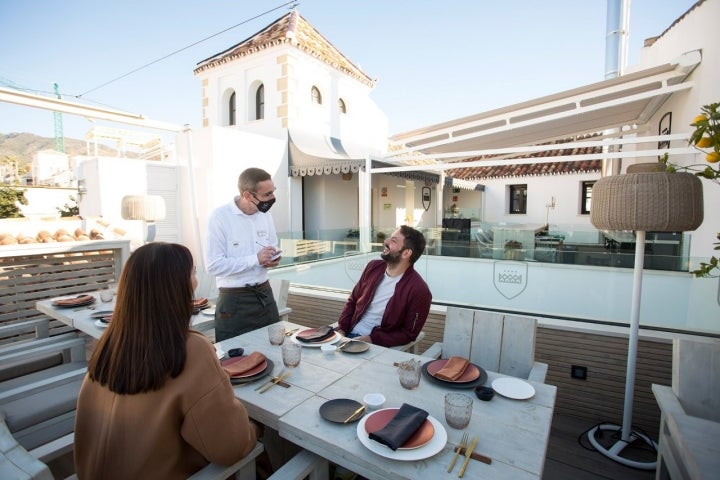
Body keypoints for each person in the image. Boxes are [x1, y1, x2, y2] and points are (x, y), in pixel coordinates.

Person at [74, 242, 258, 479]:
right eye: (192, 272)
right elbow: (231, 448)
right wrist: (255, 428)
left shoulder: (109, 344)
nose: (196, 280)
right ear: (177, 286)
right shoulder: (190, 349)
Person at [205, 167, 282, 342]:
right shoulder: (219, 218)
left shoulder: (266, 215)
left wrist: (272, 258)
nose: (272, 198)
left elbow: (272, 246)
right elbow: (213, 265)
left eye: (273, 192)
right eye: (267, 194)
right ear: (247, 195)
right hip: (233, 301)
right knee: (235, 359)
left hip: (265, 295)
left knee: (274, 348)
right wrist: (255, 259)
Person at [335, 225, 432, 347]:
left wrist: (371, 339)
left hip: (375, 344)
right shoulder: (373, 267)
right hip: (348, 333)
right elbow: (353, 300)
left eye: (393, 241)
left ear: (406, 253)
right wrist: (342, 329)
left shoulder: (419, 290)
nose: (386, 242)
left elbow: (408, 333)